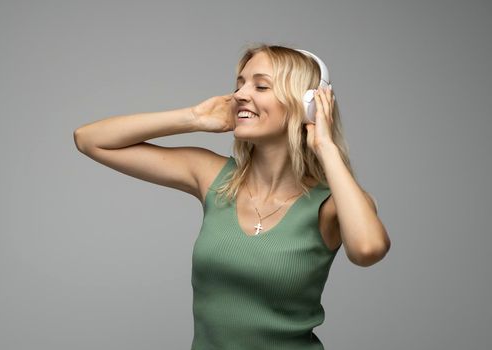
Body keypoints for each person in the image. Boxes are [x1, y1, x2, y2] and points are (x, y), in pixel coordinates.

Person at [73, 43, 391, 349]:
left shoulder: (333, 203)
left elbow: (368, 250)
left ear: (306, 103)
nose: (240, 95)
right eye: (239, 84)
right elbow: (89, 140)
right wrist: (194, 118)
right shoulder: (213, 177)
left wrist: (325, 147)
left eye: (261, 87)